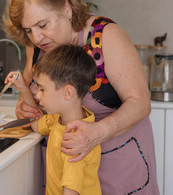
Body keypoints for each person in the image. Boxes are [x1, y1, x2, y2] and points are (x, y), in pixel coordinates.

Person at [3, 0, 159, 194]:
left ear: (66, 9)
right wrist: (25, 105)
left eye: (42, 24)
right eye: (28, 30)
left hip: (118, 164)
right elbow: (34, 94)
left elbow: (141, 103)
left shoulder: (106, 36)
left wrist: (96, 132)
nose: (37, 37)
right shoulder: (37, 45)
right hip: (65, 171)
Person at [5, 44, 101, 195]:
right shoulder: (58, 120)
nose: (38, 95)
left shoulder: (75, 140)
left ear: (67, 92)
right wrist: (23, 88)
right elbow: (36, 123)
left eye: (42, 89)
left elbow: (70, 192)